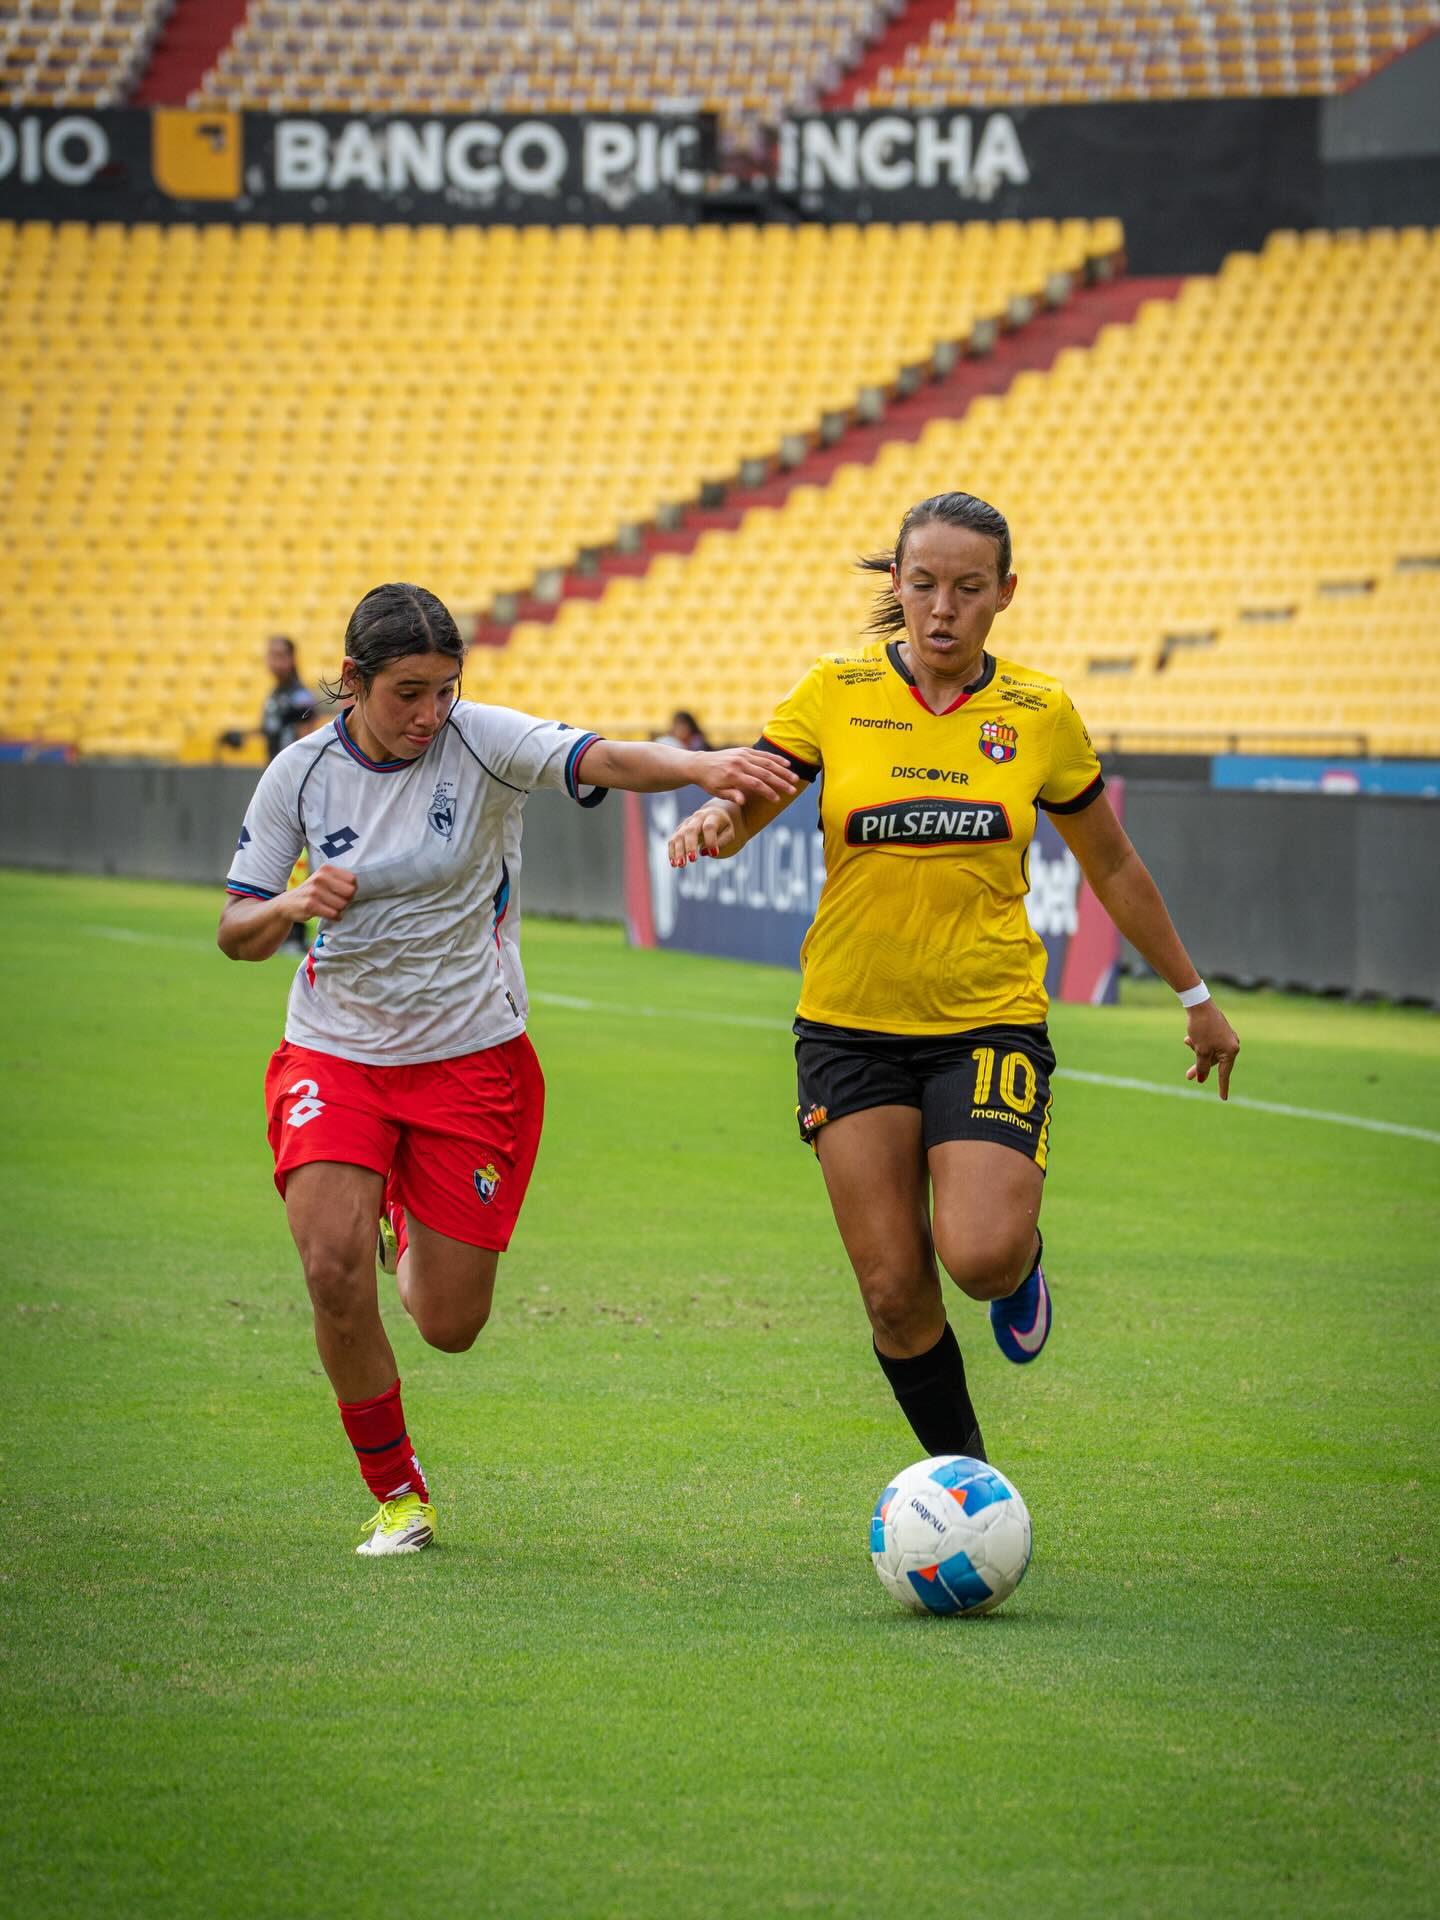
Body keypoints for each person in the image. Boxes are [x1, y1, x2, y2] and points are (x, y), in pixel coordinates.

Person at [218, 582, 797, 1556]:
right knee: (329, 1263)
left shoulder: (480, 739)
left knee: (448, 1322)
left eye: (445, 688)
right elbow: (235, 928)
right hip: (336, 1048)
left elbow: (598, 755)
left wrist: (703, 763)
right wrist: (291, 905)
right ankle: (399, 1493)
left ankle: (402, 1212)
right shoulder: (300, 775)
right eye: (408, 692)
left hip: (469, 1058)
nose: (428, 713)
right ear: (353, 681)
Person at [666, 492, 1239, 1467]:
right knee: (893, 1289)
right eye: (924, 584)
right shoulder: (834, 691)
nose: (943, 609)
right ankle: (969, 1488)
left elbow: (1112, 865)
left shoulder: (1038, 712)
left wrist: (1195, 998)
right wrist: (716, 822)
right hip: (847, 1027)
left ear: (1005, 593)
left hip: (987, 1019)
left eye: (969, 589)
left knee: (978, 1256)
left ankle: (1023, 1273)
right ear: (896, 583)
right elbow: (755, 790)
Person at [219, 636, 320, 953]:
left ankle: (297, 933)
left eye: (280, 655)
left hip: (297, 787)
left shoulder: (300, 697)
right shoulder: (274, 696)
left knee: (299, 860)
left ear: (292, 658)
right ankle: (281, 927)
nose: (273, 661)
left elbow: (309, 734)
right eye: (270, 655)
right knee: (281, 862)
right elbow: (272, 730)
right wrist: (245, 736)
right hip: (276, 786)